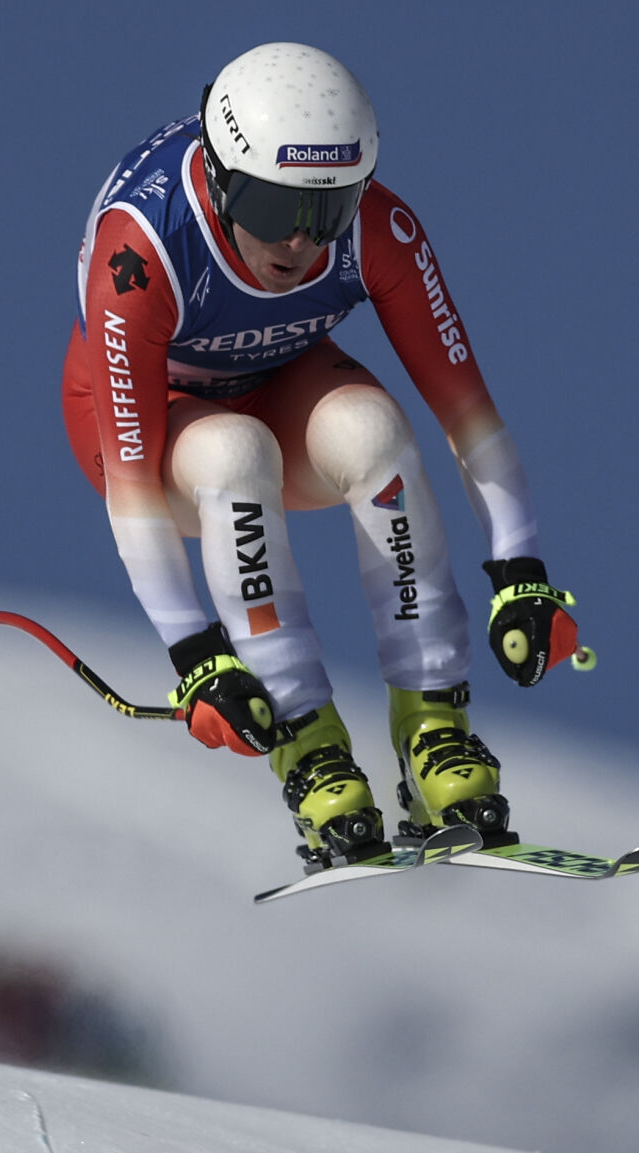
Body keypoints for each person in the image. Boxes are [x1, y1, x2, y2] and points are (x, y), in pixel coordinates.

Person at [61, 42, 581, 869]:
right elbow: (130, 485)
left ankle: (433, 731)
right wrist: (195, 654)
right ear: (224, 179)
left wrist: (519, 567)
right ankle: (307, 746)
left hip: (276, 378)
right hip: (150, 420)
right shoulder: (145, 247)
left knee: (375, 431)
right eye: (273, 208)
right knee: (233, 454)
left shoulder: (381, 229)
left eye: (327, 210)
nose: (301, 241)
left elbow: (467, 411)